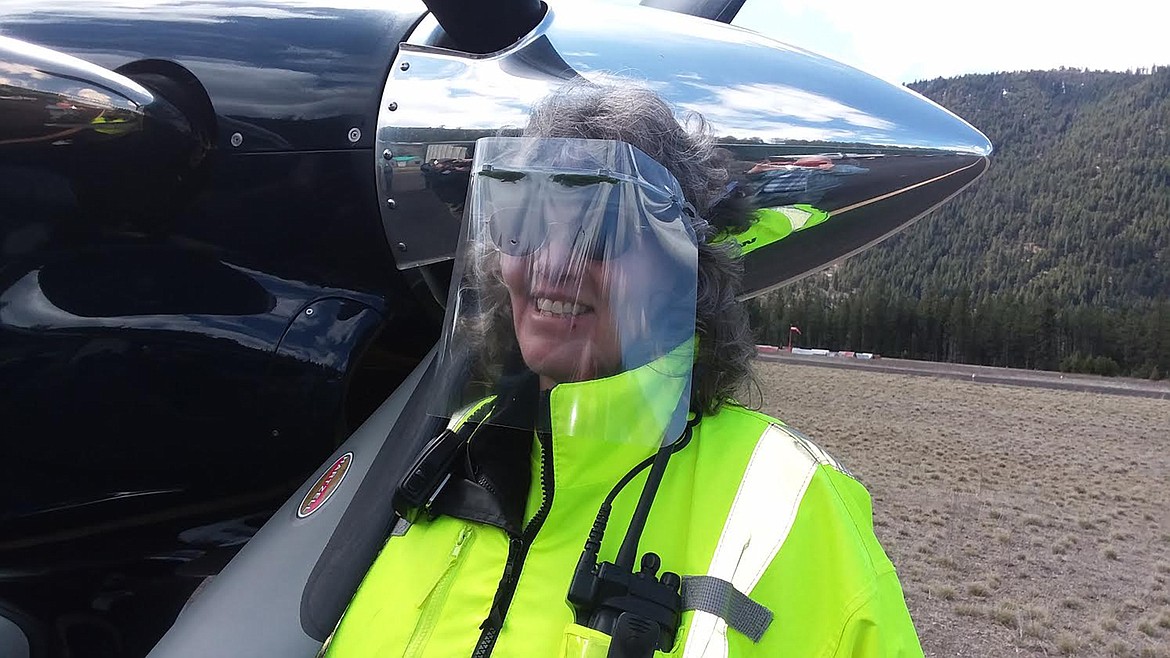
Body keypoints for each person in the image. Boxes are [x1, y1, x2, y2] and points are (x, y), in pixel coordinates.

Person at [321, 81, 923, 657]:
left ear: (682, 271)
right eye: (524, 224)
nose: (553, 262)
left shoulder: (788, 502)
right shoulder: (453, 451)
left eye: (599, 231)